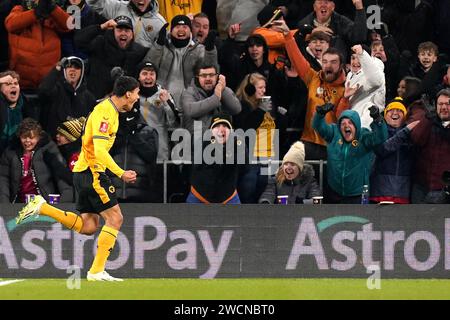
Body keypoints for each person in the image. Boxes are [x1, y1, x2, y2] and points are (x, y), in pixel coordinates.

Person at [15, 76, 140, 281]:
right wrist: (120, 172)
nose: (137, 98)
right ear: (128, 94)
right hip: (93, 173)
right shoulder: (105, 113)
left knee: (89, 227)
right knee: (115, 218)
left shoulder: (112, 112)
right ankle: (97, 271)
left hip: (85, 173)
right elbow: (99, 149)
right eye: (136, 93)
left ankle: (42, 207)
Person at [275, 19, 346, 160]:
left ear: (341, 65)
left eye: (333, 62)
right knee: (290, 163)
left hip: (333, 145)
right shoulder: (313, 78)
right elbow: (297, 59)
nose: (328, 66)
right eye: (325, 62)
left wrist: (346, 98)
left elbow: (342, 119)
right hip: (308, 141)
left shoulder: (347, 87)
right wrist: (288, 35)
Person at [312, 103, 388, 203]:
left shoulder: (364, 136)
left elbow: (381, 137)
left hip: (357, 194)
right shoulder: (334, 133)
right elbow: (318, 126)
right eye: (343, 123)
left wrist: (378, 119)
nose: (346, 125)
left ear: (356, 125)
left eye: (350, 123)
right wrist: (319, 114)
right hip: (334, 191)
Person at [145, 14, 218, 106]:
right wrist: (158, 45)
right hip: (160, 101)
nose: (181, 30)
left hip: (190, 103)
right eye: (177, 26)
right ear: (171, 31)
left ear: (190, 30)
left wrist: (210, 50)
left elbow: (211, 71)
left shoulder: (199, 49)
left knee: (198, 121)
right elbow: (147, 66)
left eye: (185, 27)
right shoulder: (162, 47)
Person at [0, 118, 73, 203]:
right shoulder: (10, 151)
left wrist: (65, 202)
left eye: (31, 138)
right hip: (17, 203)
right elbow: (3, 178)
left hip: (45, 203)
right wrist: (4, 204)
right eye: (24, 137)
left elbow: (61, 175)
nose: (27, 141)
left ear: (38, 137)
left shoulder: (49, 149)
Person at [74, 15, 148, 99]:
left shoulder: (138, 53)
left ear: (132, 34)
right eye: (119, 30)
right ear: (113, 32)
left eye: (127, 30)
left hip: (119, 103)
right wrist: (101, 27)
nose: (123, 33)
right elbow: (79, 40)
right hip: (92, 99)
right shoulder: (100, 43)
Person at [5, 0, 72, 89]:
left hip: (49, 82)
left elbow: (70, 25)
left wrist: (53, 9)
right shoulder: (19, 9)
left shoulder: (53, 14)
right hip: (22, 81)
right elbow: (11, 24)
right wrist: (35, 13)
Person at [186, 113, 245, 204]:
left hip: (228, 196)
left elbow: (245, 166)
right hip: (200, 195)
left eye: (225, 126)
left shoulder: (237, 144)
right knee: (188, 217)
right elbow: (199, 166)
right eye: (217, 126)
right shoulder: (202, 143)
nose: (221, 130)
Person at [369, 98, 419, 204]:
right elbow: (383, 150)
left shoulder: (412, 135)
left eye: (400, 110)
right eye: (391, 110)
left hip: (403, 193)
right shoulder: (378, 131)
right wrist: (405, 131)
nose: (395, 113)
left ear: (405, 116)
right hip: (379, 193)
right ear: (385, 115)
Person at [409, 88, 450, 204]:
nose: (444, 107)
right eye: (440, 104)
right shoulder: (429, 121)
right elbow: (416, 139)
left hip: (444, 189)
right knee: (416, 221)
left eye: (448, 104)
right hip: (421, 187)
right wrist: (428, 118)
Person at [38, 56, 96, 138]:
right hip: (55, 142)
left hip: (77, 145)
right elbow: (43, 91)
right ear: (64, 70)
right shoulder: (56, 90)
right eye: (69, 67)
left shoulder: (88, 97)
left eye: (76, 67)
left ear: (81, 72)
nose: (73, 69)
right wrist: (56, 69)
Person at [181, 62, 241, 137]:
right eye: (204, 76)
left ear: (217, 76)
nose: (208, 78)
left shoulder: (223, 90)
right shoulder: (189, 92)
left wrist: (223, 89)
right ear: (197, 77)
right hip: (198, 139)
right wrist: (215, 98)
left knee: (240, 141)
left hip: (223, 136)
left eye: (212, 75)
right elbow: (191, 110)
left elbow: (236, 109)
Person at [298, 0, 367, 62]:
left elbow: (359, 37)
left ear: (333, 7)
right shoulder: (304, 23)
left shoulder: (341, 22)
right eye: (320, 2)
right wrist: (312, 32)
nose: (323, 5)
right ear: (314, 7)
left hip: (337, 69)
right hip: (310, 69)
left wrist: (359, 8)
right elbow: (296, 45)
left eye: (326, 2)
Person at [336, 44, 386, 130]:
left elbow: (376, 81)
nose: (355, 62)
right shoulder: (351, 75)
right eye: (353, 58)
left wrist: (362, 54)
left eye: (359, 58)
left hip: (364, 127)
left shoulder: (373, 74)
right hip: (350, 124)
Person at [86, 0, 166, 47]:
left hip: (139, 71)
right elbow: (93, 4)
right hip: (112, 64)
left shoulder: (160, 23)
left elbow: (159, 53)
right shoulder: (117, 7)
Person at [0, 71, 39, 155]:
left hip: (17, 154)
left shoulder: (26, 105)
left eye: (16, 83)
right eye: (8, 84)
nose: (13, 85)